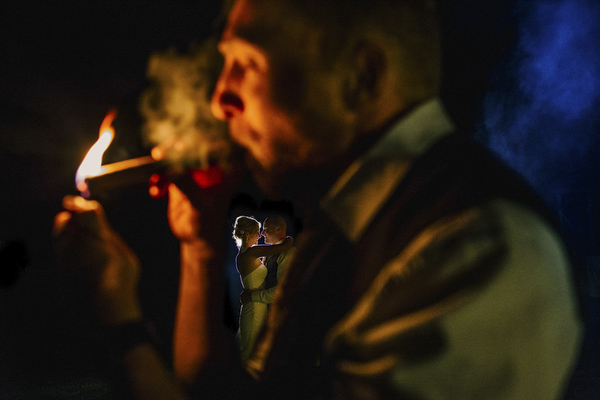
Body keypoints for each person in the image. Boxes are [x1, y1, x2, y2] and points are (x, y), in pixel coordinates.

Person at [53, 0, 583, 399]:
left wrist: (120, 321)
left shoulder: (480, 247)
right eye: (225, 64)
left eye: (248, 65)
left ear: (362, 76)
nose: (221, 98)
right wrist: (202, 249)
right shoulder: (342, 227)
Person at [232, 215, 292, 361]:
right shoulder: (252, 252)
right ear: (247, 234)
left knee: (252, 347)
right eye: (257, 232)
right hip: (255, 307)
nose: (260, 235)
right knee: (250, 348)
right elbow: (283, 246)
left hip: (258, 304)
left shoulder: (251, 255)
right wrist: (289, 239)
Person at [240, 216, 296, 307]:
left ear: (278, 229)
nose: (262, 234)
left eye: (265, 229)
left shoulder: (287, 253)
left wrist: (253, 297)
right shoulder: (268, 252)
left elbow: (284, 289)